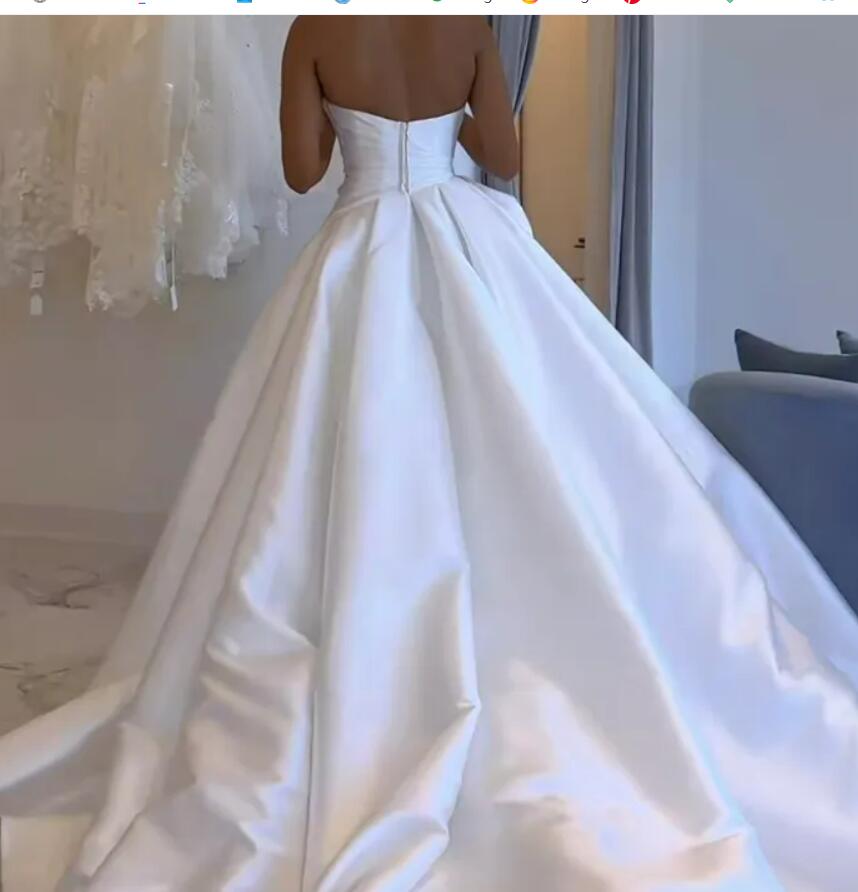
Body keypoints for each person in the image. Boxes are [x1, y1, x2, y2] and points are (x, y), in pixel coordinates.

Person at [1, 15, 857, 891]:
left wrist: (354, 124)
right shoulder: (469, 26)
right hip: (467, 241)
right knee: (519, 453)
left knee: (345, 471)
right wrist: (448, 125)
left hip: (360, 247)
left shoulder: (314, 31)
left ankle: (373, 662)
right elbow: (503, 155)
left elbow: (303, 171)